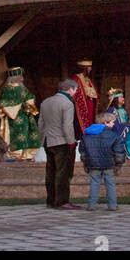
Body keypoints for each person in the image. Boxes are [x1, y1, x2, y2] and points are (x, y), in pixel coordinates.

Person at [37, 78, 80, 209]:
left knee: (50, 171)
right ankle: (62, 201)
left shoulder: (46, 102)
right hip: (62, 142)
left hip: (48, 140)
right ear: (70, 89)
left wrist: (42, 140)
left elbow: (40, 123)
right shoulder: (67, 103)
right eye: (76, 90)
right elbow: (67, 125)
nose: (76, 92)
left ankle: (51, 200)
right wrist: (71, 142)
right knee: (63, 172)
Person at [79, 111, 127, 211]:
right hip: (109, 164)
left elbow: (82, 151)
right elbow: (119, 152)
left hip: (92, 163)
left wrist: (85, 162)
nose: (113, 124)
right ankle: (112, 205)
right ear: (105, 122)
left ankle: (91, 205)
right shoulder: (114, 136)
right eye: (112, 122)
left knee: (94, 183)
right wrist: (119, 164)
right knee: (110, 184)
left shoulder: (87, 134)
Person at [0, 66, 40, 160]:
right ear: (15, 77)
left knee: (27, 135)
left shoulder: (22, 87)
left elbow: (30, 97)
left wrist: (29, 104)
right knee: (16, 136)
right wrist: (20, 106)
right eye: (20, 75)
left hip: (25, 116)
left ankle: (25, 154)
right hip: (14, 118)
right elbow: (4, 104)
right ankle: (15, 154)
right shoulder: (8, 89)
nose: (22, 78)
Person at [71, 59, 99, 138]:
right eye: (89, 67)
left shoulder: (88, 79)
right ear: (84, 68)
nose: (90, 69)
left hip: (90, 105)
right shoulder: (76, 79)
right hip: (81, 106)